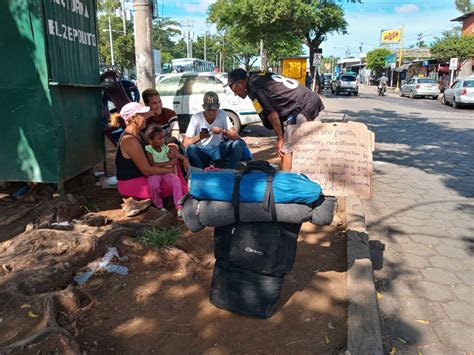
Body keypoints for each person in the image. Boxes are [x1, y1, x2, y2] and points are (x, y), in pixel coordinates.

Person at [225, 68, 324, 170]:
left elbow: (272, 115)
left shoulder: (255, 86)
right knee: (295, 143)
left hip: (303, 105)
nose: (235, 94)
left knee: (286, 147)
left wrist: (280, 138)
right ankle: (297, 174)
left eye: (234, 89)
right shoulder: (254, 77)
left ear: (241, 83)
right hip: (305, 101)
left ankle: (285, 182)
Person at [115, 102, 176, 217]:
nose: (146, 117)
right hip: (131, 183)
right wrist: (171, 169)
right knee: (173, 183)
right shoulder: (129, 140)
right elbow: (147, 170)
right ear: (133, 118)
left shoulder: (139, 135)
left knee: (174, 179)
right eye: (143, 115)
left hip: (141, 178)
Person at [183, 91, 244, 169]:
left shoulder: (222, 114)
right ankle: (201, 173)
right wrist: (199, 137)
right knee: (190, 149)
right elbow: (185, 143)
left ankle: (229, 170)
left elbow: (236, 137)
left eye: (214, 110)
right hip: (202, 151)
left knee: (238, 144)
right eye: (209, 110)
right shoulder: (196, 117)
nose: (211, 113)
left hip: (218, 150)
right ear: (203, 107)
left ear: (218, 106)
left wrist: (223, 131)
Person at [144, 125, 189, 220]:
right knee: (153, 185)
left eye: (163, 137)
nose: (163, 140)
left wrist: (183, 158)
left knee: (176, 181)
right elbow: (153, 163)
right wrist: (169, 162)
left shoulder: (164, 147)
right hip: (156, 172)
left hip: (167, 171)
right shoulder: (148, 149)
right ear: (150, 140)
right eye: (159, 138)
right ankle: (159, 206)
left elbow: (176, 154)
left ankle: (179, 207)